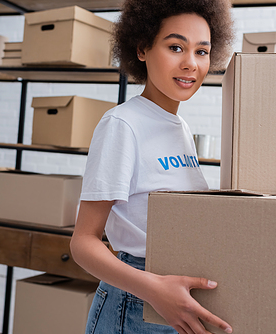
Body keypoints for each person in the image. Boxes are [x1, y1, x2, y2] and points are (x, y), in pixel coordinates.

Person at [70, 0, 235, 333]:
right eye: (176, 47)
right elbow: (83, 243)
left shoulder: (179, 128)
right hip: (135, 301)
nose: (190, 64)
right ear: (142, 48)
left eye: (202, 52)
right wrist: (155, 290)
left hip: (172, 299)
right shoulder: (123, 124)